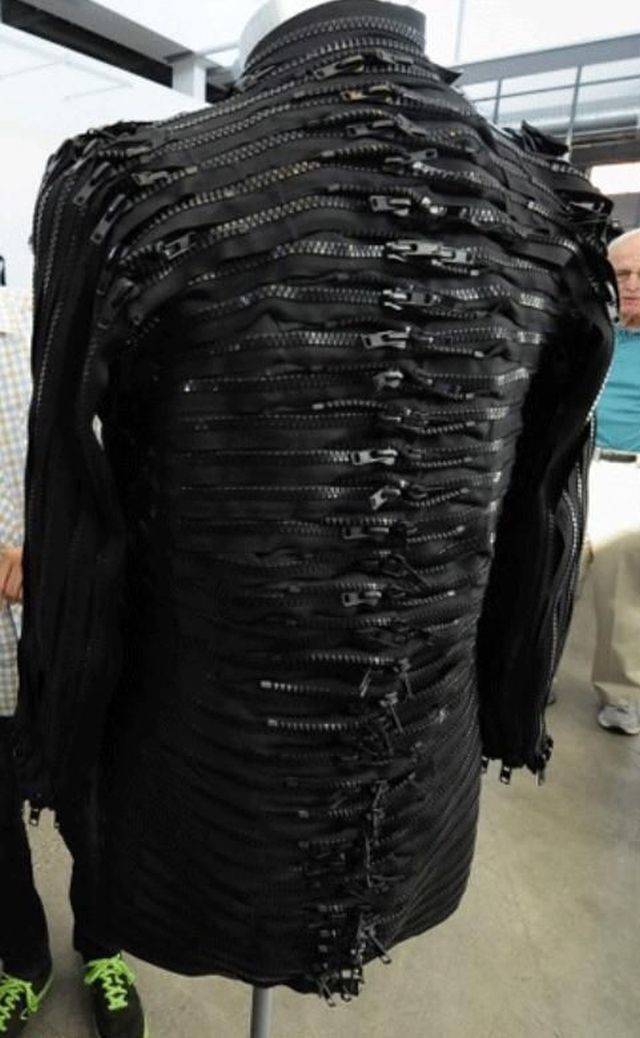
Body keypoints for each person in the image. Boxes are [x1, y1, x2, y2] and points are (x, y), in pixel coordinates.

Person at [0, 285, 147, 1037]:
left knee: (92, 814)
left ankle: (103, 947)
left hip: (67, 636)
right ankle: (22, 959)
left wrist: (53, 555)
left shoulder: (49, 330)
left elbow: (121, 480)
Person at [583, 228, 640, 734]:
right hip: (575, 469)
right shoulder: (595, 331)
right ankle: (531, 683)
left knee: (621, 598)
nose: (633, 285)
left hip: (630, 479)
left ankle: (621, 696)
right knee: (547, 584)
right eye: (623, 274)